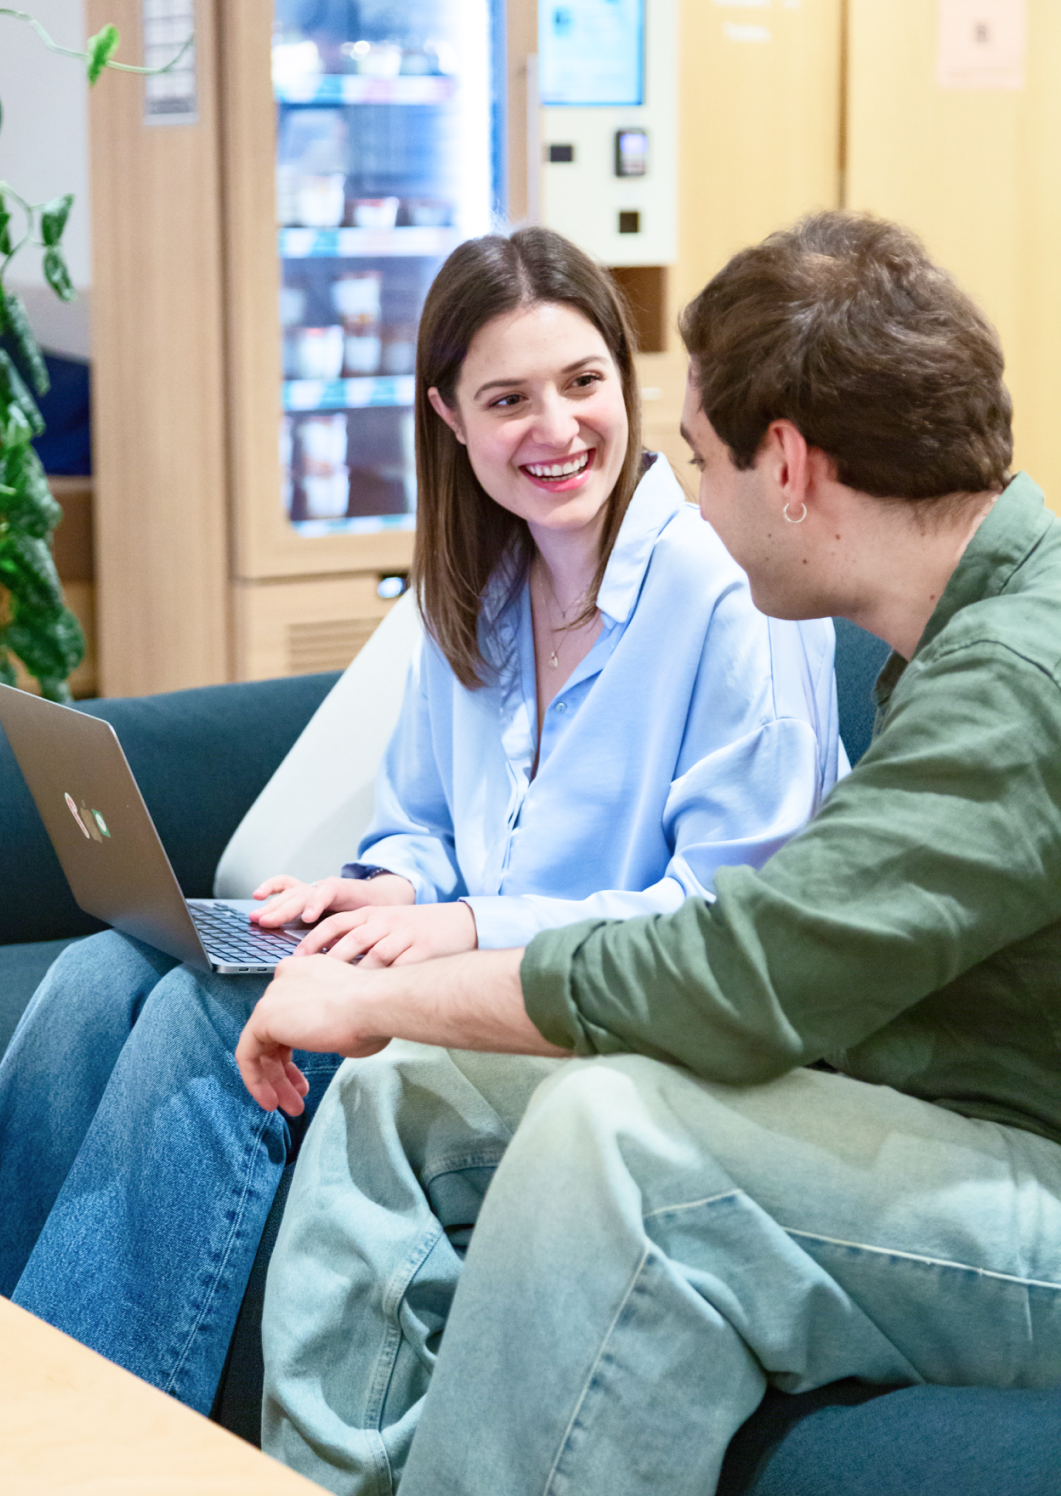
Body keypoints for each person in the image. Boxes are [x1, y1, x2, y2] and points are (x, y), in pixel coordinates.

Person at [0, 227, 842, 1415]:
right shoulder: (477, 590)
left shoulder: (730, 588)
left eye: (583, 383)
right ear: (449, 419)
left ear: (629, 381)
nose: (558, 430)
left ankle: (79, 1439)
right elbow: (419, 826)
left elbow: (725, 915)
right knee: (103, 974)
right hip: (457, 964)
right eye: (507, 399)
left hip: (594, 1010)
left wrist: (464, 922)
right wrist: (390, 892)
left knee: (207, 1012)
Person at [243, 210, 1061, 1496]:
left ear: (784, 464)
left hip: (1037, 1184)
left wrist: (381, 989)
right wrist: (396, 1013)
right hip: (951, 1120)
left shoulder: (1010, 680)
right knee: (407, 1091)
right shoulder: (956, 637)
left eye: (697, 460)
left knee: (614, 1136)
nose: (679, 500)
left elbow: (743, 973)